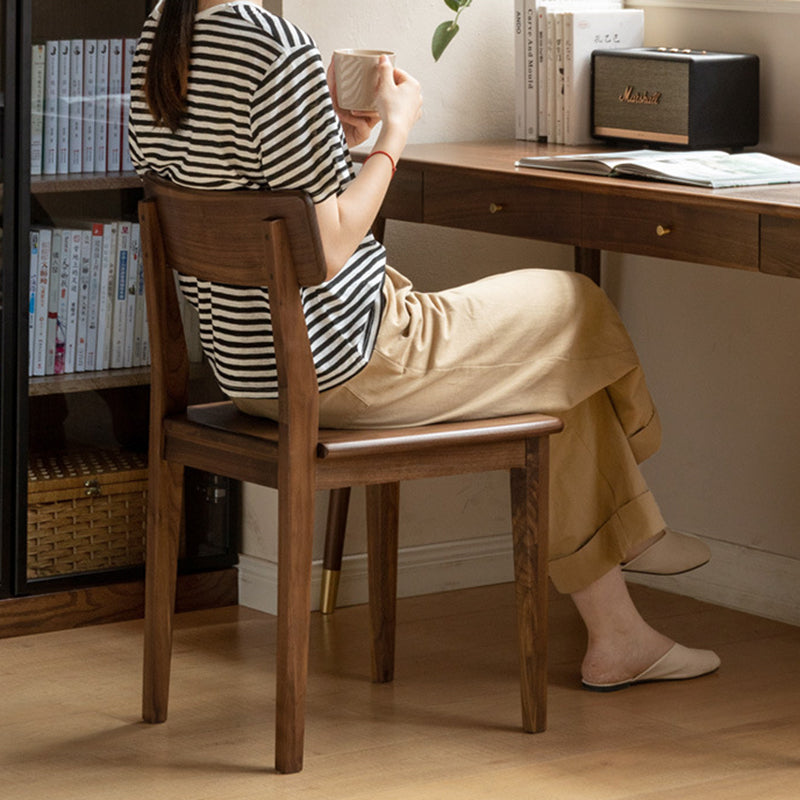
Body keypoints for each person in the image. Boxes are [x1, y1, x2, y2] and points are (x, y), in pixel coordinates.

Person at [129, 0, 720, 691]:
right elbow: (325, 249)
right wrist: (395, 133)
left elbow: (267, 195)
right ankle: (639, 525)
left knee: (557, 374)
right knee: (575, 305)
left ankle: (620, 639)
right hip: (351, 361)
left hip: (251, 372)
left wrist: (339, 138)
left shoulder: (160, 36)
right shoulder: (276, 49)